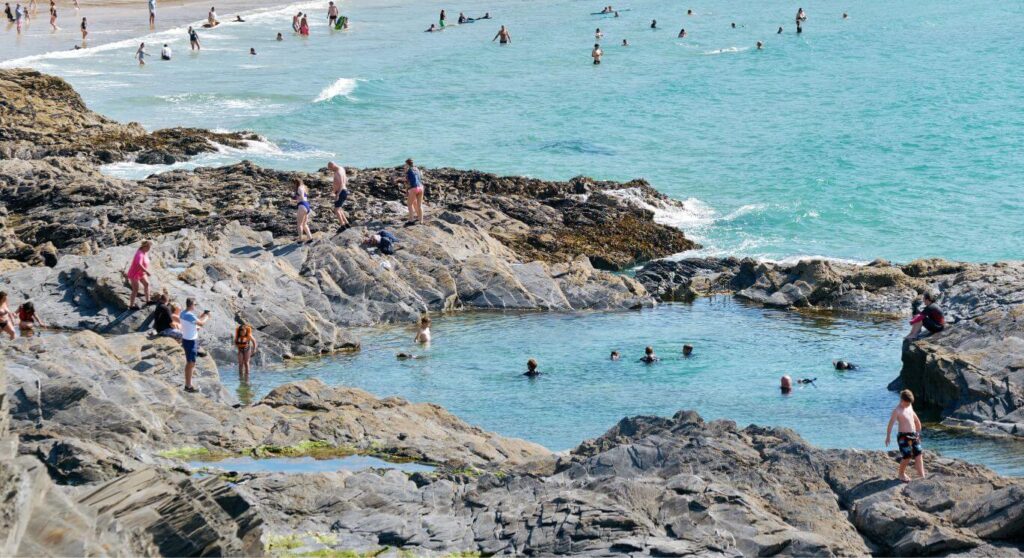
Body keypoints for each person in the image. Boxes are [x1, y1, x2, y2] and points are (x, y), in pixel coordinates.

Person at [885, 389, 925, 482]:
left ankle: (922, 476)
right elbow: (890, 424)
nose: (908, 405)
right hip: (903, 436)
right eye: (906, 403)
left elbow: (916, 420)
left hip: (914, 434)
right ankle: (901, 474)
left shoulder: (910, 406)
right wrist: (888, 436)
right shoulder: (897, 410)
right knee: (907, 455)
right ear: (902, 400)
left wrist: (918, 433)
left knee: (918, 454)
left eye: (909, 403)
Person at [180, 298, 210, 393]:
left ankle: (188, 384)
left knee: (190, 362)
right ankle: (188, 386)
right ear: (191, 305)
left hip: (187, 339)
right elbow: (201, 323)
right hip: (190, 341)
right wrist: (207, 317)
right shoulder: (189, 315)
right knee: (191, 363)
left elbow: (195, 320)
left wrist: (203, 315)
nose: (195, 306)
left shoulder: (184, 313)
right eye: (195, 304)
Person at [124, 240, 152, 309]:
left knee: (147, 284)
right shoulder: (139, 254)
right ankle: (131, 306)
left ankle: (148, 301)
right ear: (144, 246)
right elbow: (139, 264)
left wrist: (144, 271)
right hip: (134, 273)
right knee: (135, 289)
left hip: (141, 273)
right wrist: (147, 271)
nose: (149, 249)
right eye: (148, 247)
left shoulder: (144, 252)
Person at [327, 161, 349, 231]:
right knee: (339, 208)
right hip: (343, 191)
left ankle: (342, 226)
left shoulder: (338, 172)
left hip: (341, 192)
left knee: (336, 210)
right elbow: (345, 179)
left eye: (330, 168)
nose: (330, 170)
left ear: (332, 166)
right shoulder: (341, 169)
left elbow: (342, 184)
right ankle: (346, 223)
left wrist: (338, 195)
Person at [404, 158, 425, 224]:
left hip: (414, 188)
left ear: (407, 164)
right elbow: (419, 177)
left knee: (409, 204)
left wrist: (407, 191)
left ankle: (411, 220)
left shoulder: (408, 171)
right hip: (421, 187)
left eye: (405, 164)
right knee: (418, 204)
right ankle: (421, 220)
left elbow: (408, 182)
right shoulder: (417, 169)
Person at [292, 178, 313, 242]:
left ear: (296, 183)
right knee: (304, 224)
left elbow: (302, 197)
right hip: (307, 206)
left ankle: (300, 239)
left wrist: (295, 196)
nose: (293, 185)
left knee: (299, 224)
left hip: (302, 206)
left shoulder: (299, 188)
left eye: (294, 184)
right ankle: (310, 238)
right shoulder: (304, 187)